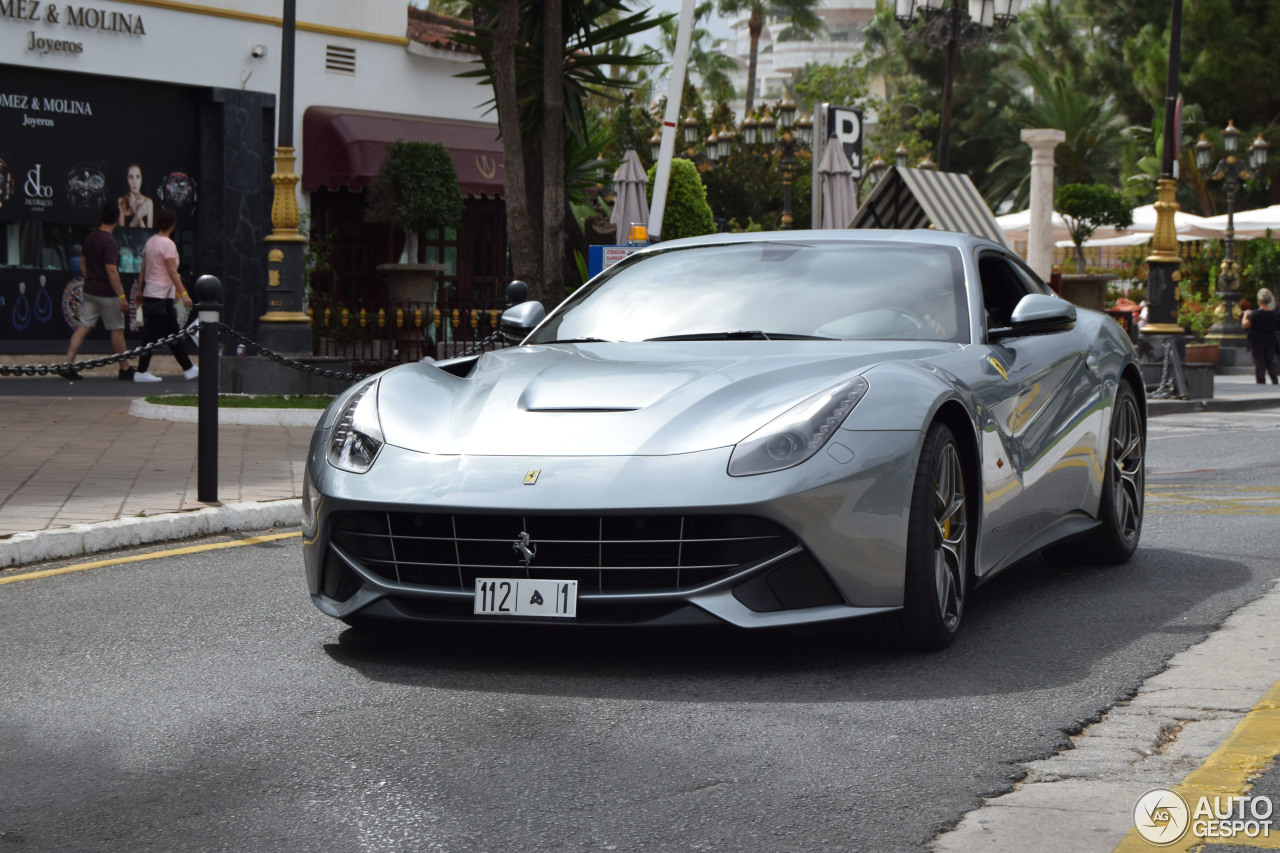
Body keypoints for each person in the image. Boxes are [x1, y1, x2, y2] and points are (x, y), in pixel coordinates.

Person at [61, 202, 135, 381]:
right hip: (107, 293)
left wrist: (89, 278)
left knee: (83, 327)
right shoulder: (110, 242)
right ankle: (124, 367)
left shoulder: (90, 238)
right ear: (117, 219)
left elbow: (82, 263)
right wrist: (122, 296)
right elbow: (111, 270)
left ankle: (68, 363)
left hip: (90, 290)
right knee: (117, 329)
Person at [132, 208, 197, 382]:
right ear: (173, 225)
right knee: (152, 335)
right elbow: (172, 272)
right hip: (160, 295)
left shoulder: (150, 242)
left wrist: (139, 290)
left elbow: (143, 269)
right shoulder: (168, 245)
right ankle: (141, 370)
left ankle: (188, 368)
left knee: (172, 333)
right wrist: (184, 294)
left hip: (156, 294)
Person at [1242, 288, 1279, 385]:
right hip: (1270, 341)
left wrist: (1245, 315)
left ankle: (1261, 383)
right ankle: (1275, 381)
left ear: (1259, 301)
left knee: (1259, 363)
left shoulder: (1255, 314)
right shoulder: (1274, 314)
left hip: (1257, 341)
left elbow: (1245, 325)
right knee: (1270, 362)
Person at [117, 163, 153, 228]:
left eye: (137, 177)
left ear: (141, 179)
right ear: (127, 179)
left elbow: (147, 234)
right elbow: (123, 234)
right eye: (131, 177)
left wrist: (135, 210)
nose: (134, 181)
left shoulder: (148, 202)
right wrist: (138, 216)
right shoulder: (121, 200)